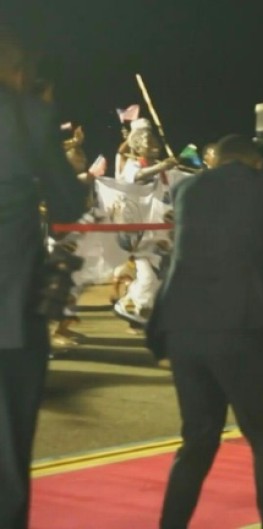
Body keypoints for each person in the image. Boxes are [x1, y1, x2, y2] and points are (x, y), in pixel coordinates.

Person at [145, 134, 263, 529]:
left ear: (216, 159)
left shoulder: (188, 188)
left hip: (183, 327)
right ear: (255, 161)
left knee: (197, 441)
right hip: (243, 326)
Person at [0, 28, 87, 529]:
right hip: (11, 312)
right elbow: (68, 204)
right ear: (18, 71)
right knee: (8, 455)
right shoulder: (28, 114)